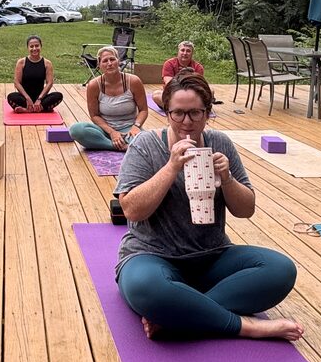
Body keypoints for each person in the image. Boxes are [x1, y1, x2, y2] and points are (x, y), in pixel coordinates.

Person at [114, 72, 302, 341]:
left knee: (280, 270)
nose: (186, 122)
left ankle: (179, 313)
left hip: (212, 257)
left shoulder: (220, 143)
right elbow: (131, 210)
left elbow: (246, 209)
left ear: (207, 113)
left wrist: (227, 179)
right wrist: (171, 167)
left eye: (195, 113)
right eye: (178, 113)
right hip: (152, 256)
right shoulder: (146, 145)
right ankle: (245, 326)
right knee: (148, 289)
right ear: (167, 113)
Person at [69, 45, 148, 151]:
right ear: (99, 65)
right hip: (104, 130)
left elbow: (143, 110)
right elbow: (94, 116)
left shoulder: (133, 81)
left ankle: (121, 144)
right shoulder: (94, 85)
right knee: (76, 130)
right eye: (105, 61)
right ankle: (119, 146)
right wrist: (112, 132)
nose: (109, 63)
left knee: (146, 142)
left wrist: (136, 126)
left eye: (112, 59)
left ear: (118, 61)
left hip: (129, 129)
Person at [8, 35, 62, 113]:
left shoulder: (47, 63)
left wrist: (39, 99)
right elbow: (17, 82)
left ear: (41, 46)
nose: (34, 49)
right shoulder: (21, 62)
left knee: (58, 96)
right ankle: (41, 109)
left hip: (41, 98)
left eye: (37, 46)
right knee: (11, 97)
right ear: (28, 48)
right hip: (24, 98)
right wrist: (27, 98)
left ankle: (28, 110)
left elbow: (49, 83)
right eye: (31, 46)